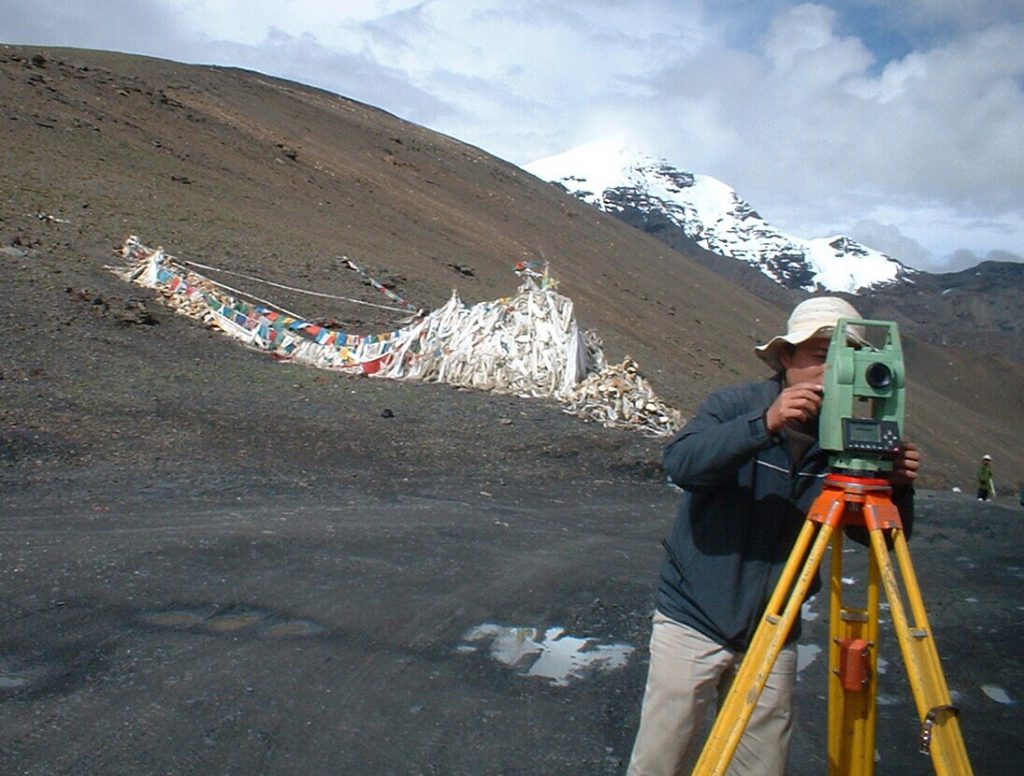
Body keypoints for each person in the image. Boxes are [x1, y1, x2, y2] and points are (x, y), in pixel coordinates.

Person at [627, 296, 920, 776]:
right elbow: (682, 464)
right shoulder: (736, 405)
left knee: (760, 767)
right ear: (786, 357)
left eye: (847, 357)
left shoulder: (849, 438)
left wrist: (898, 490)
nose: (832, 371)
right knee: (662, 760)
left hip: (774, 626)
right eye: (821, 355)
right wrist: (764, 425)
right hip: (692, 618)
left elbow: (881, 542)